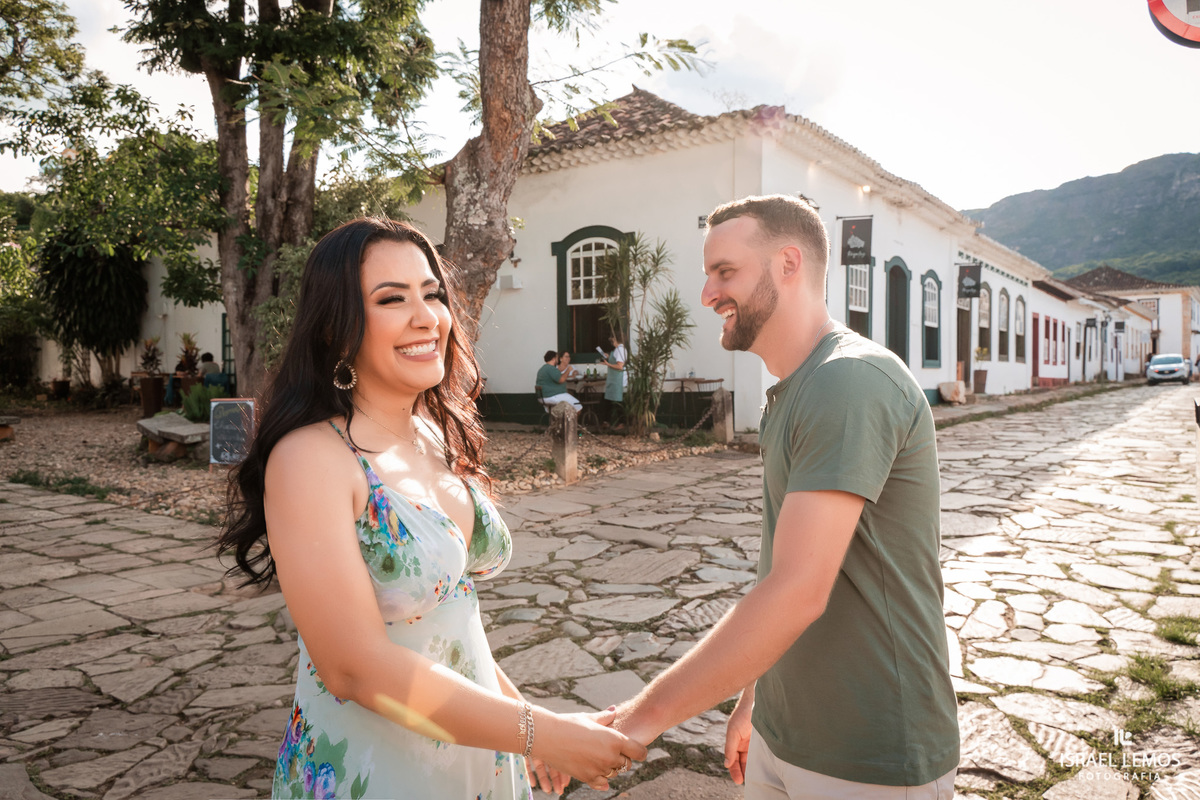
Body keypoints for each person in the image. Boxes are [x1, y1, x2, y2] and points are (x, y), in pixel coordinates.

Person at [217, 219, 644, 800]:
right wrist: (537, 732)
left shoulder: (434, 433)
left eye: (432, 293)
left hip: (474, 755)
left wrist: (527, 723)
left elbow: (447, 625)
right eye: (392, 299)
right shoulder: (311, 457)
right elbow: (354, 666)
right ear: (335, 328)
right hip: (375, 769)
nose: (427, 317)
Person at [612, 195, 958, 798]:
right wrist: (757, 697)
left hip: (866, 753)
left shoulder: (847, 382)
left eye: (725, 272)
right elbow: (786, 570)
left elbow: (798, 591)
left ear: (788, 263)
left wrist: (637, 723)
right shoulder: (797, 389)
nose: (707, 294)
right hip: (784, 733)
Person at [600, 333, 626, 427]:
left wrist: (608, 364)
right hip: (613, 379)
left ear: (615, 340)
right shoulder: (618, 350)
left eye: (612, 341)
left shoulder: (620, 350)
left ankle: (620, 423)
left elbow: (620, 366)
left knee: (616, 401)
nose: (611, 343)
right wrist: (608, 357)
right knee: (610, 400)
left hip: (616, 379)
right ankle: (607, 422)